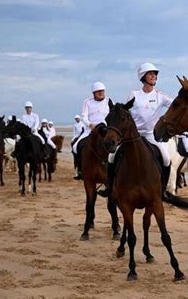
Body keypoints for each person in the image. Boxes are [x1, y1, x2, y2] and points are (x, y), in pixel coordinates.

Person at [98, 62, 173, 198]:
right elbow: (125, 112)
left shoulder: (160, 96)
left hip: (151, 135)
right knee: (111, 156)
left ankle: (162, 191)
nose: (153, 76)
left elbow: (175, 105)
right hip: (133, 135)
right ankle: (109, 187)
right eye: (150, 74)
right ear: (143, 77)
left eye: (155, 74)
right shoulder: (134, 94)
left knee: (167, 158)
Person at [72, 82, 110, 180]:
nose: (101, 93)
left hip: (105, 130)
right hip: (90, 130)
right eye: (98, 91)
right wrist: (90, 124)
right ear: (94, 93)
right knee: (76, 147)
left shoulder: (109, 101)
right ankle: (80, 170)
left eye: (102, 91)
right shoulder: (87, 102)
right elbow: (84, 116)